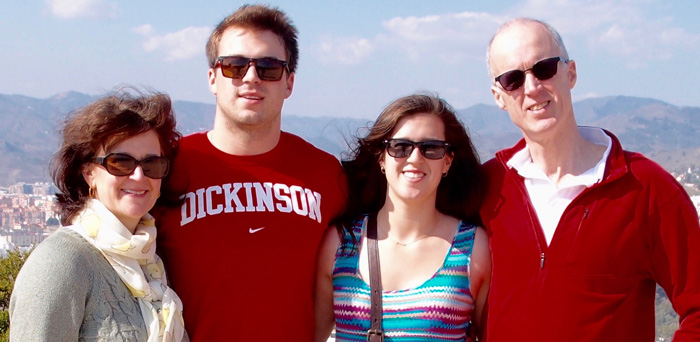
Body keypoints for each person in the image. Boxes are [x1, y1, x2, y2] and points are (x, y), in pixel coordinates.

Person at [481, 17, 700, 341]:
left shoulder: (647, 188)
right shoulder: (487, 187)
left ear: (570, 73)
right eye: (513, 79)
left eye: (544, 68)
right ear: (499, 96)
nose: (532, 88)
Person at [151, 4, 346, 341]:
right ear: (213, 78)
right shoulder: (165, 167)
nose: (251, 78)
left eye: (269, 67)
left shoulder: (327, 175)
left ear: (289, 83)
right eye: (235, 66)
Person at [9, 89, 187, 341]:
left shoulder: (151, 263)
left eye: (151, 164)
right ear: (88, 172)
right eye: (120, 162)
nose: (138, 176)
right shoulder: (62, 262)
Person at [315, 94, 491, 342]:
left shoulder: (473, 248)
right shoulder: (341, 243)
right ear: (381, 157)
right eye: (400, 147)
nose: (415, 158)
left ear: (447, 162)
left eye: (431, 148)